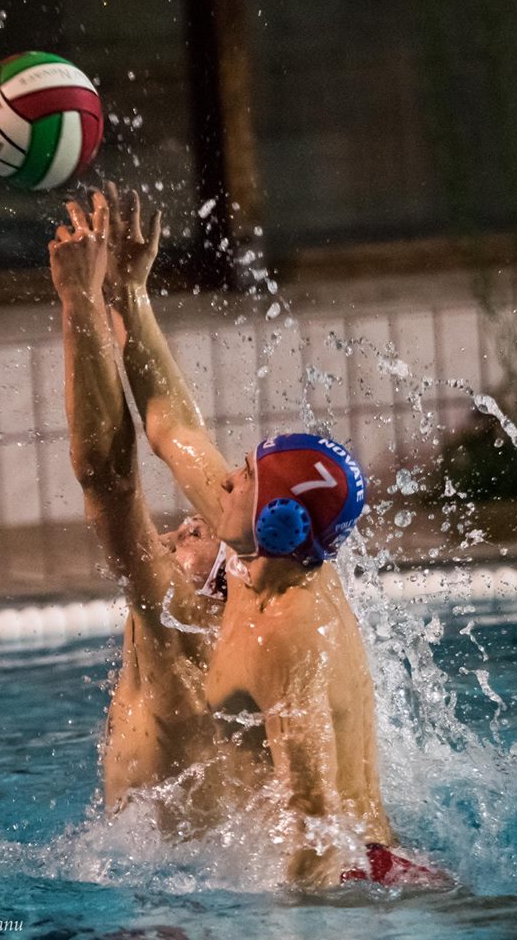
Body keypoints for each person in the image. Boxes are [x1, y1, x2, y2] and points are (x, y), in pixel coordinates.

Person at [98, 184, 448, 889]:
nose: (224, 480)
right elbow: (172, 428)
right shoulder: (271, 551)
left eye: (245, 479)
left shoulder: (290, 631)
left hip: (362, 880)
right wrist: (130, 294)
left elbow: (318, 827)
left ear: (277, 520)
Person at [48, 190, 226, 832]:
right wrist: (128, 292)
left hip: (158, 892)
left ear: (222, 579)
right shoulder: (271, 600)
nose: (182, 526)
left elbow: (108, 482)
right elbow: (179, 431)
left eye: (197, 534)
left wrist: (80, 300)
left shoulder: (180, 621)